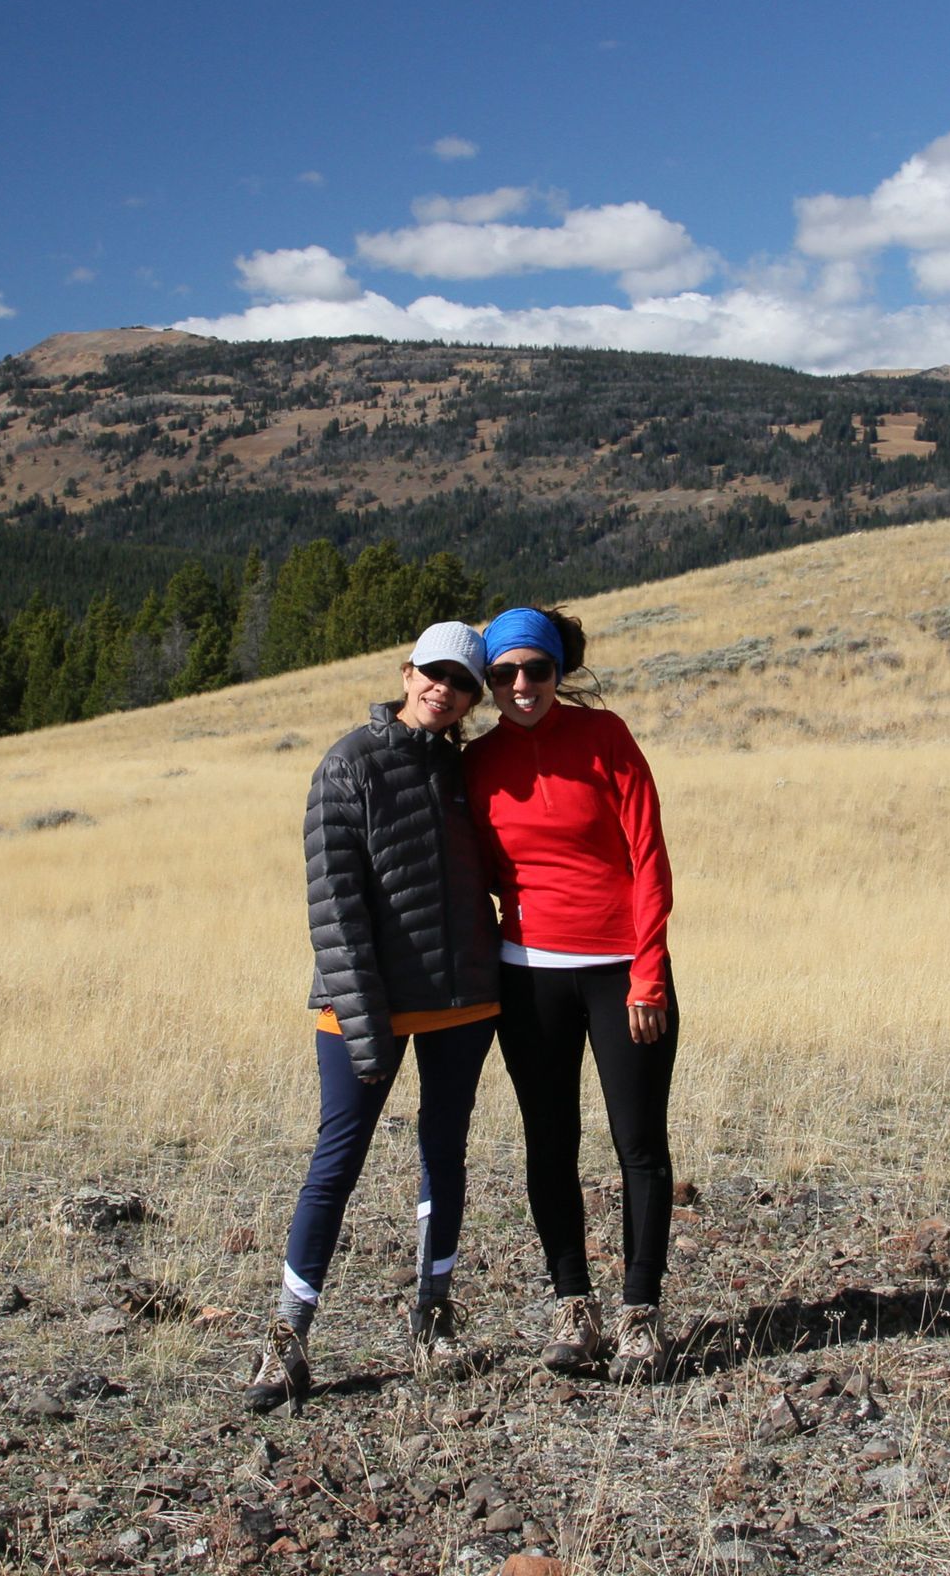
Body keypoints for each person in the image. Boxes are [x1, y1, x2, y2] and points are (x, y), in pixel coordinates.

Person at [247, 621, 502, 1414]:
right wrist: (364, 1023)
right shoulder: (347, 766)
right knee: (336, 1162)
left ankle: (433, 1316)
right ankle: (287, 1341)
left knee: (445, 1151)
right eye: (432, 673)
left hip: (464, 1000)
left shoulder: (464, 770)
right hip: (368, 1008)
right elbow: (335, 911)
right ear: (405, 672)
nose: (443, 690)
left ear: (470, 701)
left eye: (461, 684)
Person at [462, 605, 679, 1383]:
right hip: (527, 978)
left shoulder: (606, 737)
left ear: (560, 671)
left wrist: (648, 971)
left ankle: (640, 1314)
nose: (522, 687)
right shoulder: (477, 761)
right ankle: (573, 1306)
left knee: (639, 1145)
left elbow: (648, 857)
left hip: (623, 971)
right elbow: (476, 872)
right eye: (504, 674)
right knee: (548, 1144)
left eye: (537, 670)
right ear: (487, 681)